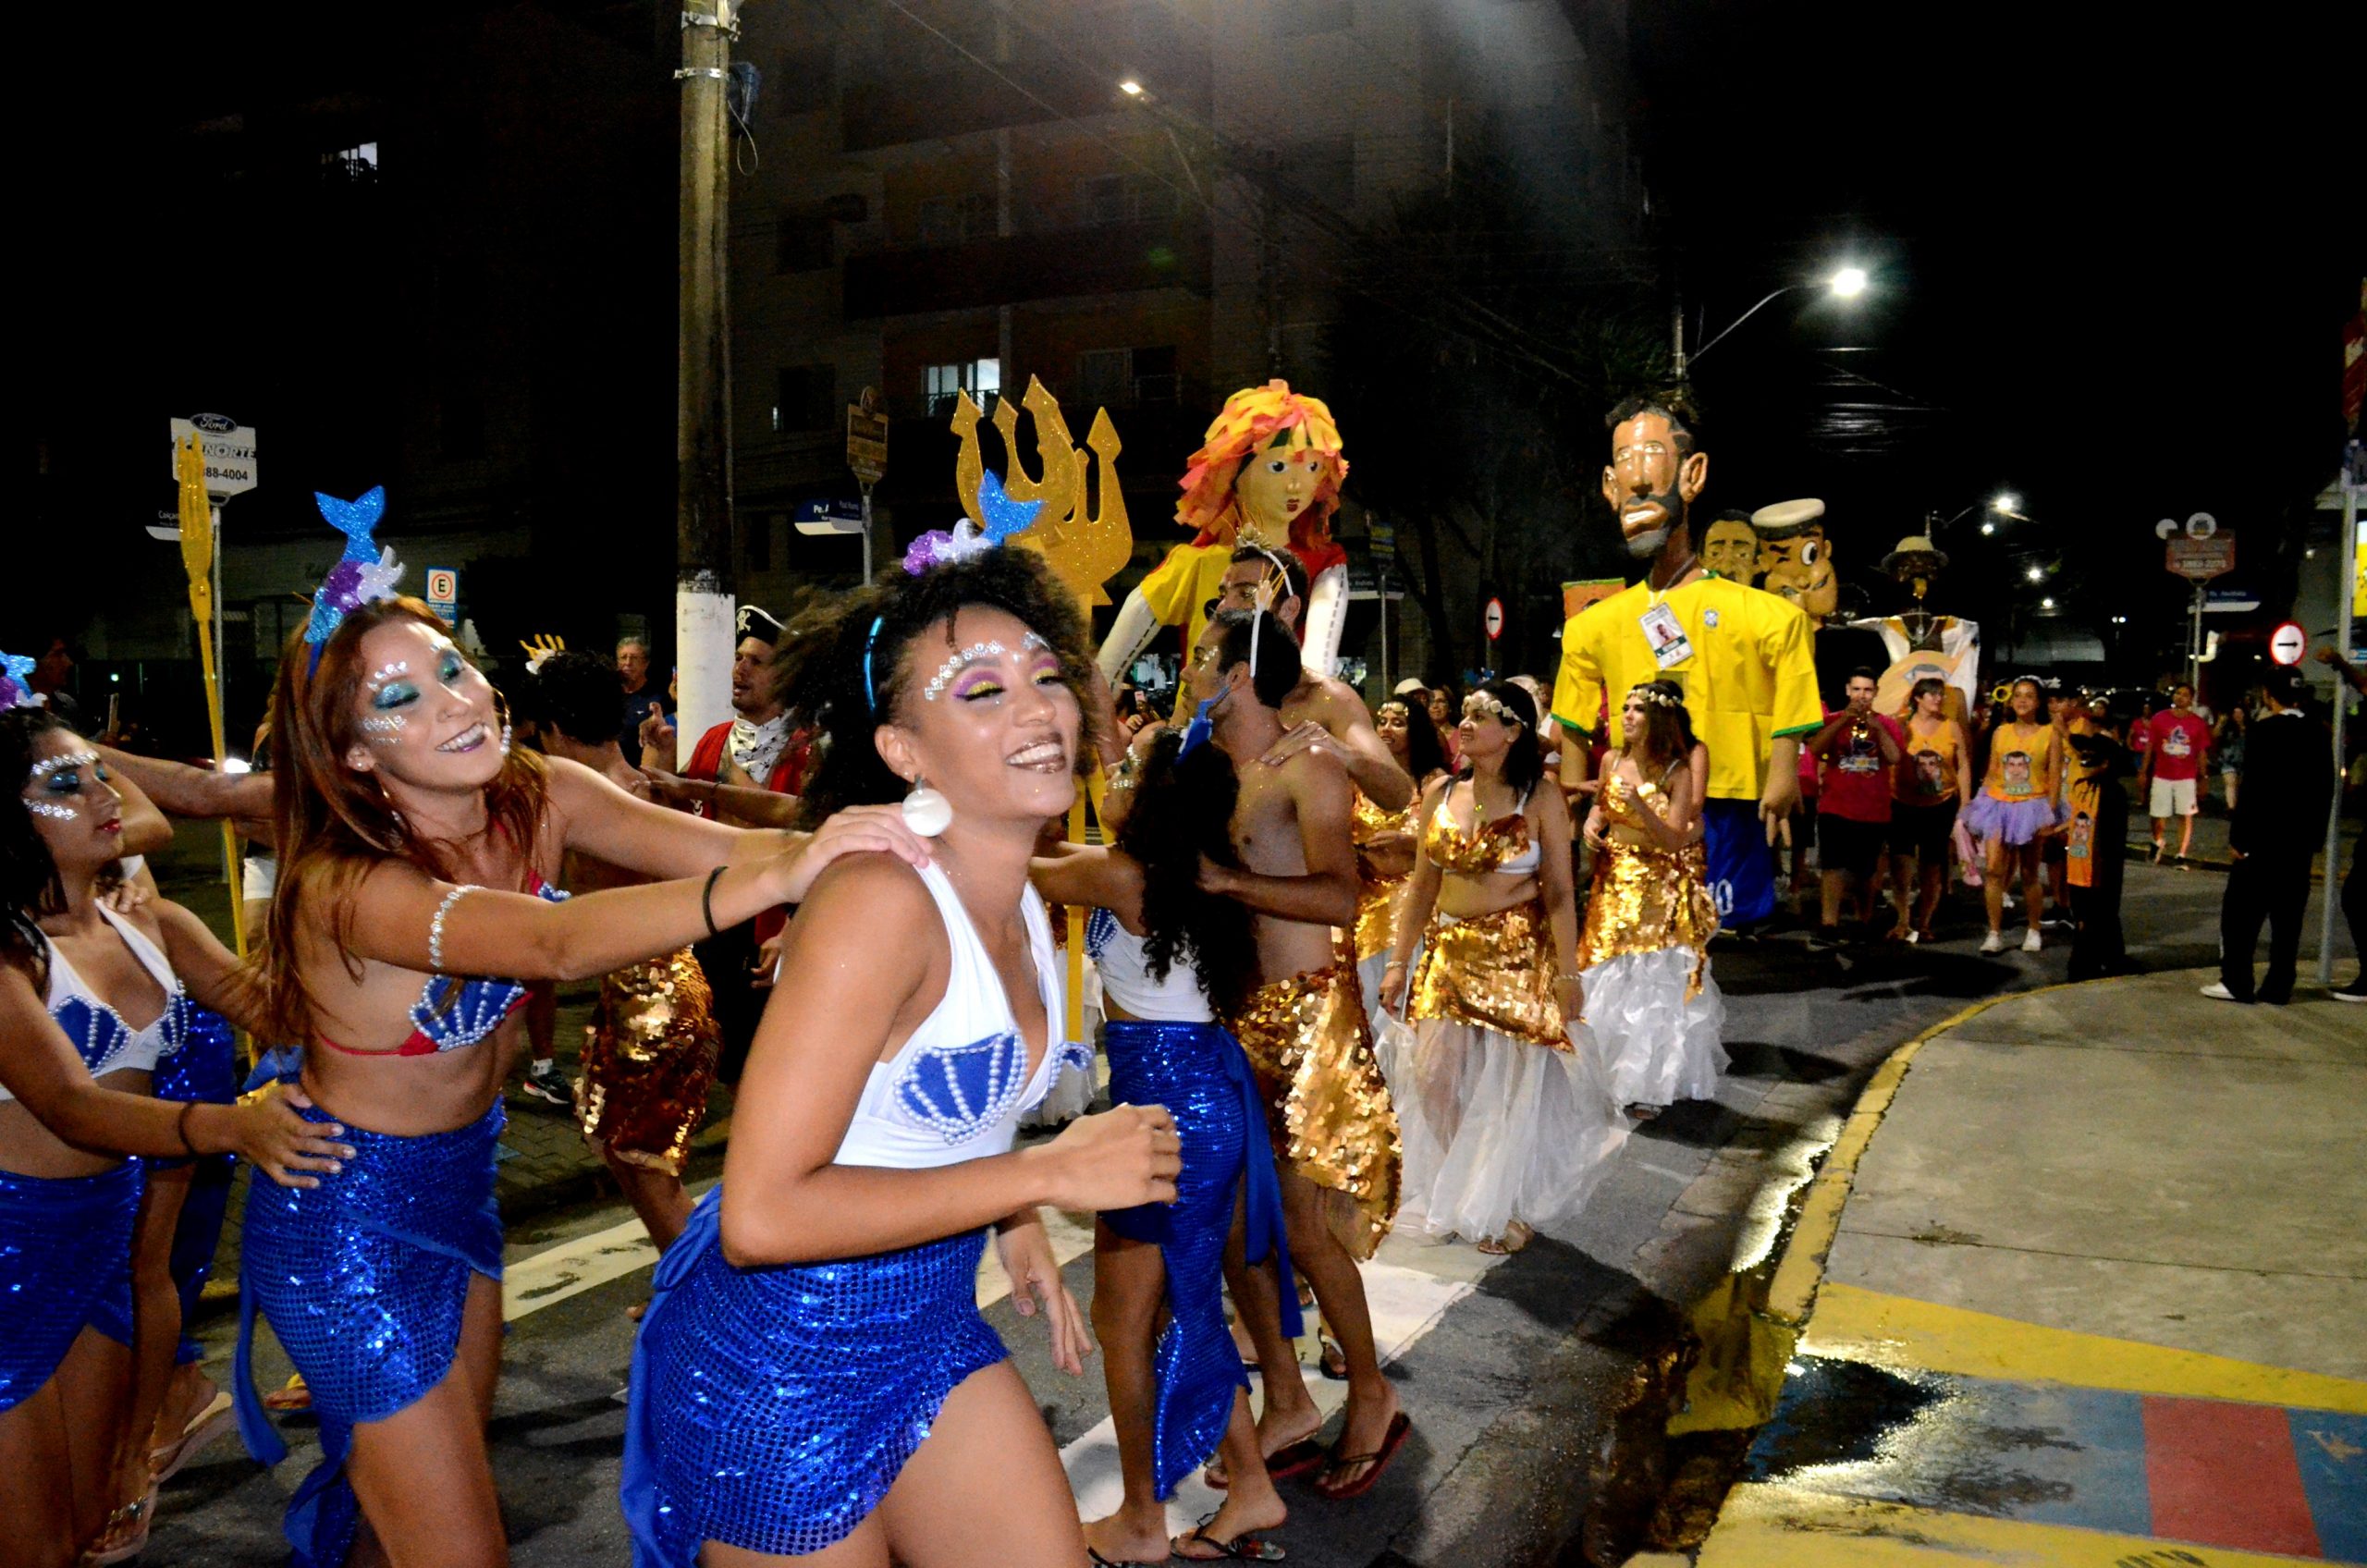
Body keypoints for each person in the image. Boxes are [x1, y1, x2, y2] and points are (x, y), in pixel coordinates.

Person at [218, 487, 931, 1568]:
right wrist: (784, 874)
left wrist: (871, 839)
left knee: (402, 1520)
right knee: (456, 1542)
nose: (454, 702)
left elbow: (715, 850)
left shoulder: (540, 793)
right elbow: (554, 945)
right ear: (353, 753)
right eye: (400, 698)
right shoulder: (345, 885)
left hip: (462, 1190)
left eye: (452, 668)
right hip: (344, 1220)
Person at [621, 545, 1182, 1567]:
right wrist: (1042, 1177)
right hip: (780, 1364)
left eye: (1045, 674)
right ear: (903, 750)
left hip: (928, 1325)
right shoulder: (882, 902)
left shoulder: (1018, 893)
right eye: (981, 690)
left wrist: (1013, 1221)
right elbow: (759, 1218)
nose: (1037, 708)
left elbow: (934, 1111)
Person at [1, 705, 355, 1567]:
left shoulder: (154, 924)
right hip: (11, 1256)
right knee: (32, 1544)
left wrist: (353, 905)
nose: (103, 794)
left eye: (101, 773)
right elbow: (71, 1106)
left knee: (82, 1526)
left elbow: (287, 1015)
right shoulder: (8, 952)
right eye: (66, 783)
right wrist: (234, 1126)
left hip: (102, 1250)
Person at [1032, 727, 1298, 1564]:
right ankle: (1242, 1484)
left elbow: (1018, 865)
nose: (1111, 778)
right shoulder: (1192, 875)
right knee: (1172, 1305)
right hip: (1195, 1100)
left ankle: (1146, 1518)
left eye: (1127, 767)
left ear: (1153, 796)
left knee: (1127, 1319)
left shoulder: (1124, 875)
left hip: (1168, 1113)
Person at [1177, 608, 1408, 1502]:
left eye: (1203, 657)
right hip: (1239, 1019)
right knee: (1240, 1225)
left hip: (1311, 1017)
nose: (1189, 670)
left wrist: (1229, 881)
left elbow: (1341, 898)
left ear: (1238, 676)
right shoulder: (1215, 769)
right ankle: (1287, 1399)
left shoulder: (1304, 766)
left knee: (1306, 1229)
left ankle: (1372, 1392)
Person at [1551, 397, 1820, 931]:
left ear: (1692, 474)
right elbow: (1573, 722)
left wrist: (1782, 772)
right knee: (1637, 932)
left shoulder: (1768, 616)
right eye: (1623, 461)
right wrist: (1569, 805)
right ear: (1609, 486)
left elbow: (1793, 688)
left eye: (1652, 453)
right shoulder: (1592, 626)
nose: (1637, 479)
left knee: (1709, 931)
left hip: (1728, 801)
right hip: (1633, 803)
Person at [1381, 681, 1625, 1249]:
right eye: (1463, 713)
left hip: (1519, 954)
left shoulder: (1540, 798)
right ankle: (1468, 1188)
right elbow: (1422, 886)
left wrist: (1568, 974)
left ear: (1513, 731)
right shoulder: (1442, 791)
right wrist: (1398, 961)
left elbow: (1559, 893)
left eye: (1480, 715)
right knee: (1434, 1078)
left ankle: (1502, 1204)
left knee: (1510, 1089)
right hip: (1449, 951)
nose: (1464, 724)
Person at [531, 651, 725, 1252]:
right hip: (656, 990)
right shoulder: (642, 783)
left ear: (555, 730)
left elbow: (535, 903)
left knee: (646, 1168)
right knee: (624, 1153)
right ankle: (685, 1282)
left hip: (650, 1001)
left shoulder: (574, 798)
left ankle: (700, 1292)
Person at [640, 604, 814, 1087]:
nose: (740, 669)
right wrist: (661, 757)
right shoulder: (715, 739)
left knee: (769, 1066)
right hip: (717, 920)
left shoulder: (809, 747)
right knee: (715, 1056)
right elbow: (676, 826)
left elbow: (810, 833)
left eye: (757, 662)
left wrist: (796, 928)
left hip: (776, 928)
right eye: (739, 658)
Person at [1575, 680, 1725, 1118]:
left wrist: (1641, 809)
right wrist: (1592, 822)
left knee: (1650, 984)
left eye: (1638, 709)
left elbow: (1674, 838)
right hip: (1612, 883)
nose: (1627, 715)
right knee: (1604, 974)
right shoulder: (1611, 759)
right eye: (1625, 707)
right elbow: (1602, 804)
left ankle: (1645, 1083)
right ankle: (1598, 1078)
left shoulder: (1677, 771)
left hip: (1657, 886)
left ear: (1657, 718)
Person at [2202, 670, 2335, 1005]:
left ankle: (2237, 981)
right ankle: (2279, 985)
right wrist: (2315, 838)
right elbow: (2325, 788)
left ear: (2268, 695)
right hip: (2299, 843)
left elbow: (2254, 789)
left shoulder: (2264, 731)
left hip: (2262, 841)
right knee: (2288, 920)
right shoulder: (2318, 732)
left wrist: (2239, 838)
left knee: (2241, 916)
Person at [1350, 694, 1451, 1016]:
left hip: (1414, 893)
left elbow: (1452, 844)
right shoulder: (1360, 781)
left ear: (1416, 730)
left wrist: (1407, 842)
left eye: (1398, 723)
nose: (1386, 729)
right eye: (1382, 722)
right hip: (1365, 897)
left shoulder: (1434, 781)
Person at [1963, 677, 2063, 953]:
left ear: (2038, 702)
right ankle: (1994, 933)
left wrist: (2049, 816)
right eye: (2017, 695)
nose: (2022, 700)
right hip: (1998, 804)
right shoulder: (2001, 732)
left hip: (2032, 806)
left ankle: (2034, 929)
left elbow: (2055, 777)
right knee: (1994, 870)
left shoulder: (2049, 733)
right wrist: (1978, 808)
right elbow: (1992, 772)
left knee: (2029, 873)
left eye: (2029, 696)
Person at [1807, 669, 1904, 945]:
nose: (1862, 696)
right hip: (1836, 806)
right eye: (1857, 690)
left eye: (1868, 690)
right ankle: (1829, 923)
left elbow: (1894, 757)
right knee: (1833, 866)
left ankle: (1864, 920)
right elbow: (1815, 749)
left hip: (1873, 809)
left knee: (1866, 871)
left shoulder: (1886, 723)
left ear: (1875, 693)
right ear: (1848, 691)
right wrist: (1842, 721)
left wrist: (1878, 728)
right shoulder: (1833, 720)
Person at [1889, 677, 1972, 943]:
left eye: (1940, 694)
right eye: (1932, 694)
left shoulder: (1951, 727)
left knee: (1932, 866)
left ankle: (1924, 923)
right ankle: (1902, 920)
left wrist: (1965, 803)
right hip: (1903, 802)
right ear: (1918, 698)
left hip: (1940, 804)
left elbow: (1962, 765)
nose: (1938, 699)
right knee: (1901, 865)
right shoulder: (1902, 725)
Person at [2140, 682, 2212, 864]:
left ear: (2191, 700)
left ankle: (2181, 853)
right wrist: (2143, 771)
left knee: (2185, 815)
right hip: (2162, 775)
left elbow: (2201, 752)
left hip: (2186, 777)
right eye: (2178, 693)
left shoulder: (2197, 723)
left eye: (2185, 695)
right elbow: (2150, 746)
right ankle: (2157, 840)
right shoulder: (2160, 718)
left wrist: (2203, 777)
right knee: (2157, 814)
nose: (2180, 697)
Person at [617, 633, 669, 758]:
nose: (628, 663)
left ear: (645, 664)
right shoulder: (609, 694)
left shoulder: (658, 699)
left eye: (634, 658)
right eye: (623, 657)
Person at [2214, 704, 2248, 814]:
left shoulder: (2249, 728)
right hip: (2228, 760)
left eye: (2240, 713)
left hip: (2243, 761)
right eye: (2235, 713)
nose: (2238, 715)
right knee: (2231, 783)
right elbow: (2215, 735)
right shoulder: (2227, 729)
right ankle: (2231, 808)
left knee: (2237, 785)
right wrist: (2220, 722)